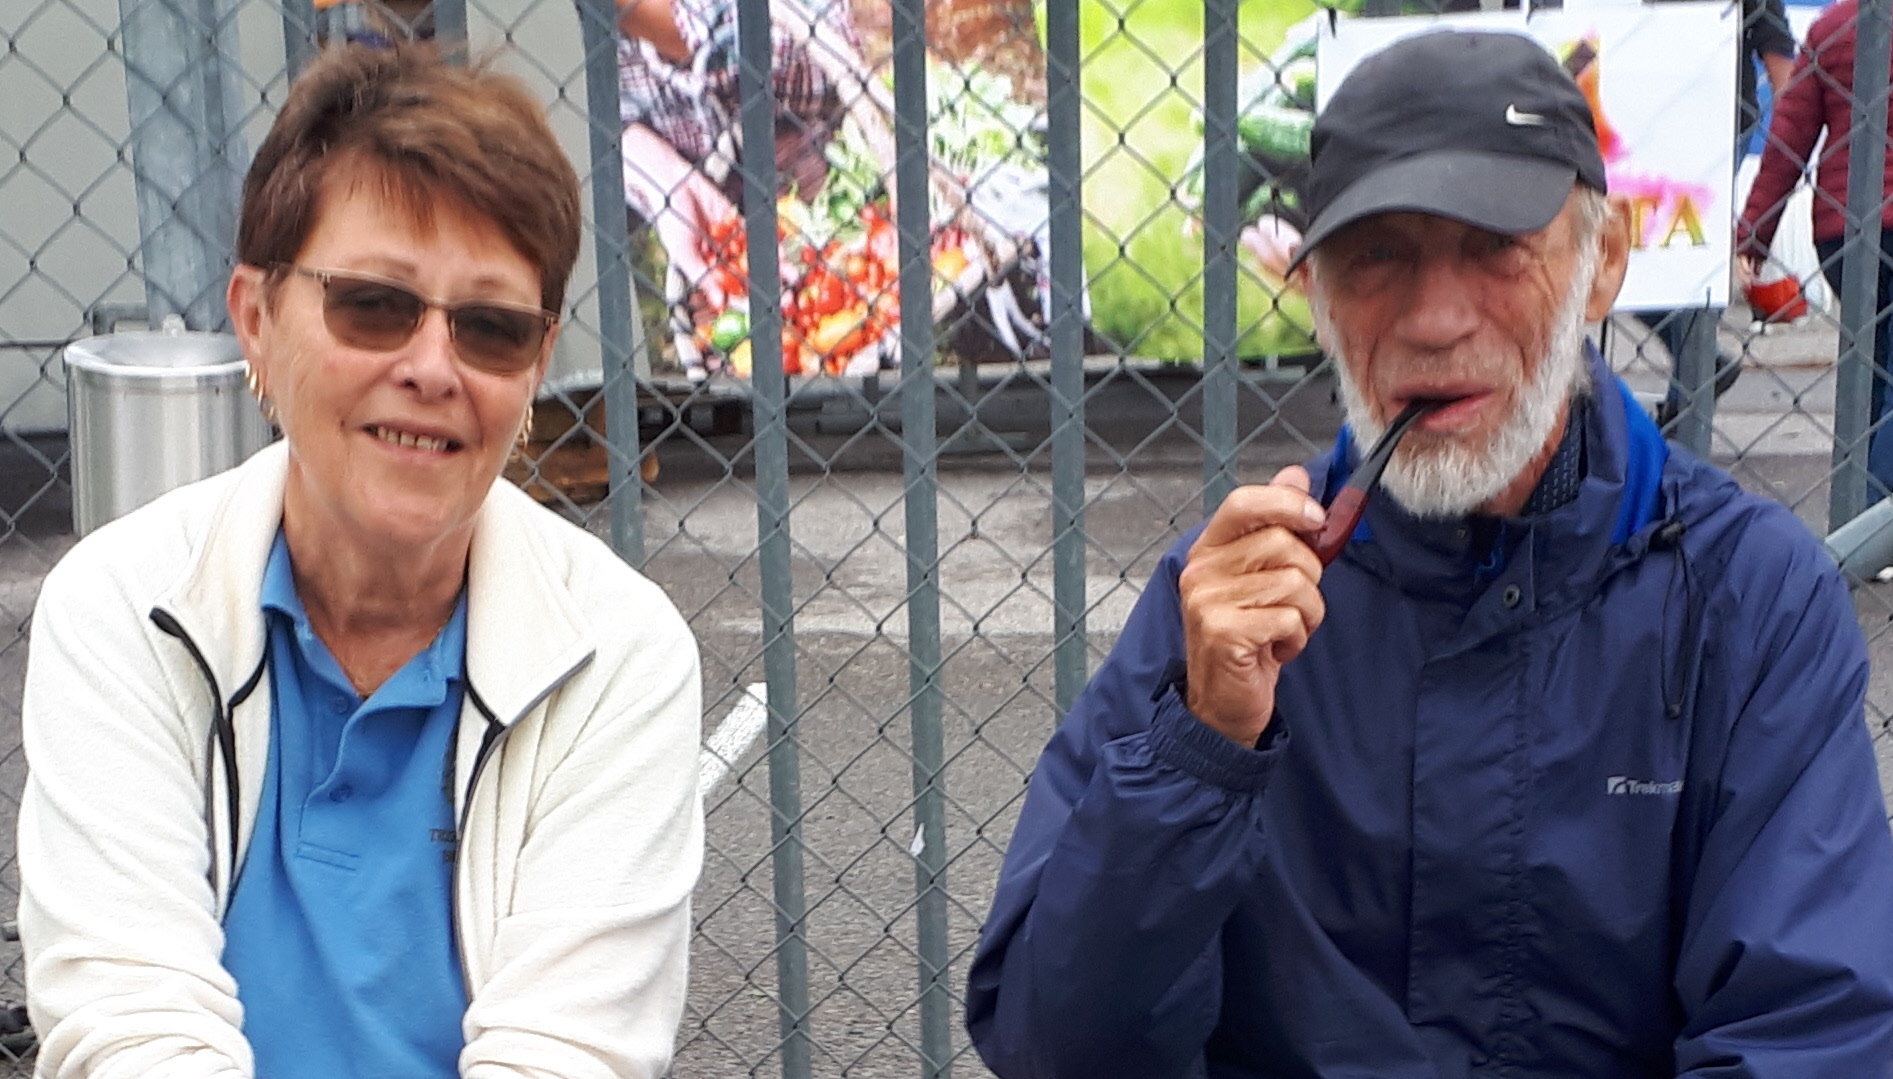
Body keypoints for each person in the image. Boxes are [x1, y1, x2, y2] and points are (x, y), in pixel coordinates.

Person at [967, 29, 1893, 1078]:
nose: (1436, 319)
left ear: (1603, 263)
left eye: (1496, 246)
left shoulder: (1748, 598)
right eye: (1377, 255)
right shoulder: (1230, 608)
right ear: (1315, 293)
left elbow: (1809, 1034)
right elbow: (1058, 1042)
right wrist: (1202, 748)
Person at [18, 46, 704, 1079]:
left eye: (491, 328)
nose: (431, 367)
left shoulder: (620, 654)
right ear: (255, 318)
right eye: (374, 303)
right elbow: (129, 1031)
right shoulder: (121, 608)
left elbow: (568, 1056)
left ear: (533, 367)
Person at [1739, 0, 1893, 506]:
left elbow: (1789, 138)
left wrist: (1754, 235)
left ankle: (1859, 509)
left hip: (1844, 228)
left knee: (1869, 370)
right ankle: (1879, 513)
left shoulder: (1833, 27)